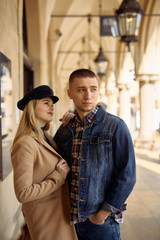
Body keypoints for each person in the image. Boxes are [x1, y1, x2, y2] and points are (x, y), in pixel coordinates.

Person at [54, 69, 136, 240]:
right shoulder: (65, 129)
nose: (88, 95)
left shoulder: (116, 126)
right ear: (70, 93)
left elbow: (127, 176)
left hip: (99, 222)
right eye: (81, 89)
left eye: (93, 89)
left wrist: (102, 214)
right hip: (68, 220)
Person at [11, 85, 77, 240]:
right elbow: (23, 193)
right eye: (46, 103)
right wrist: (57, 177)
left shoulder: (46, 136)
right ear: (32, 107)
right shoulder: (25, 143)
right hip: (46, 219)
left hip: (59, 214)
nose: (52, 108)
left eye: (52, 104)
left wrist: (73, 121)